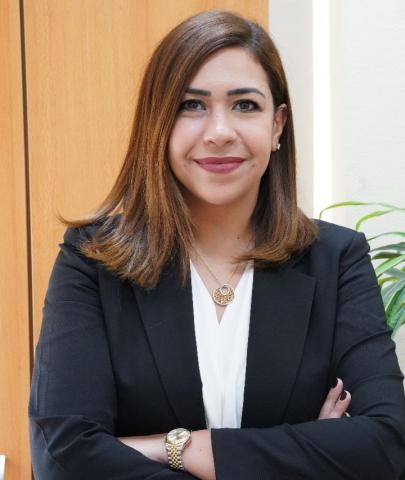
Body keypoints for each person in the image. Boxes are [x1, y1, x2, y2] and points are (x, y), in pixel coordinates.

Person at [28, 10, 405, 480]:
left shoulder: (337, 259)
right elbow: (63, 460)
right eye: (192, 105)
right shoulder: (92, 261)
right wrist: (307, 454)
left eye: (245, 105)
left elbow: (386, 445)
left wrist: (175, 447)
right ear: (158, 124)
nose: (220, 131)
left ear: (278, 125)